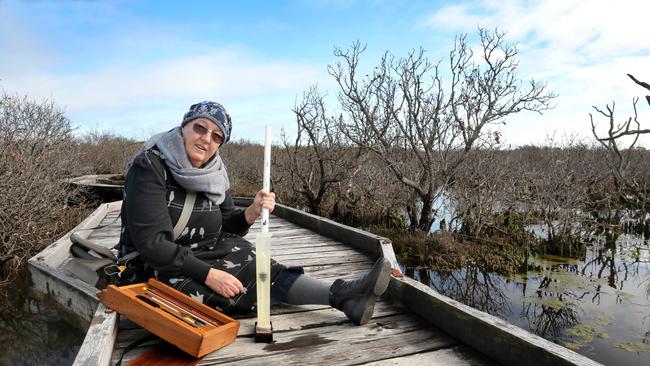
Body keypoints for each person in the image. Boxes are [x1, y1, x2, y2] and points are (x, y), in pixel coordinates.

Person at [114, 101, 390, 325]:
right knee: (207, 288)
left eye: (216, 136)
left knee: (253, 258)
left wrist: (251, 212)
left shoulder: (215, 172)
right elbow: (152, 244)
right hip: (151, 263)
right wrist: (210, 274)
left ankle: (343, 296)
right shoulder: (149, 166)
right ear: (184, 126)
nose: (206, 139)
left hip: (201, 250)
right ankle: (338, 297)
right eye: (200, 128)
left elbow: (224, 224)